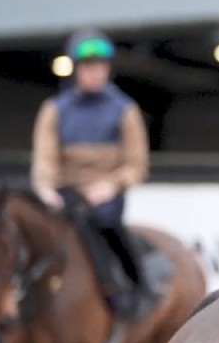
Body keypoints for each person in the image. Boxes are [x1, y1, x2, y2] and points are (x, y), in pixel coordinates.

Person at [30, 28, 155, 319]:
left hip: (105, 194)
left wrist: (111, 186)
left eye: (100, 66)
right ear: (76, 69)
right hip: (67, 192)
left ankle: (132, 286)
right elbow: (45, 160)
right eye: (88, 66)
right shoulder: (54, 110)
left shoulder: (125, 110)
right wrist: (46, 188)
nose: (94, 72)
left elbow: (136, 164)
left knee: (107, 226)